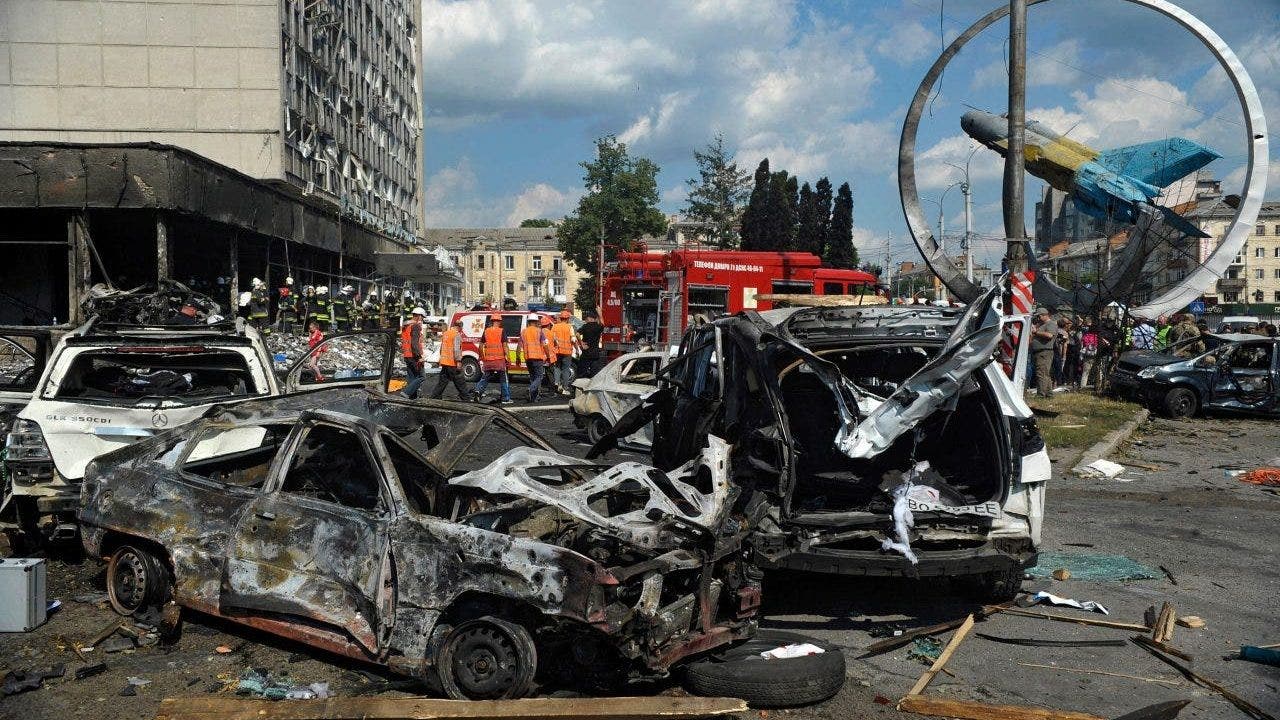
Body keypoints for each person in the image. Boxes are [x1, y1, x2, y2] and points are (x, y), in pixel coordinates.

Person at [473, 313, 513, 404]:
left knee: (485, 377)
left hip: (488, 360)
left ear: (492, 321)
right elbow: (505, 346)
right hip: (499, 360)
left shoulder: (486, 331)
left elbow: (480, 346)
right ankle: (505, 398)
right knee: (503, 379)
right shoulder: (501, 331)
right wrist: (508, 358)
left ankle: (478, 391)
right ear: (499, 321)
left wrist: (482, 357)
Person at [430, 316, 470, 400]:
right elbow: (456, 349)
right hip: (452, 362)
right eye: (461, 328)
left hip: (445, 361)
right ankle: (466, 398)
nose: (461, 329)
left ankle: (435, 396)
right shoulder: (456, 335)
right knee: (460, 381)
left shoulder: (446, 333)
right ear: (459, 327)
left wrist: (440, 358)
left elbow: (442, 348)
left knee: (443, 381)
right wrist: (458, 361)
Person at [519, 314, 553, 403]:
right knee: (539, 377)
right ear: (536, 321)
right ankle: (530, 390)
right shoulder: (539, 331)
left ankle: (533, 397)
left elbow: (519, 346)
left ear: (528, 321)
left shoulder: (523, 332)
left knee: (533, 377)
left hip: (528, 358)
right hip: (538, 357)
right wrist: (548, 356)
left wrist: (518, 357)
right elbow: (545, 345)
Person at [400, 307, 428, 399]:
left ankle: (412, 397)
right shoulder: (415, 326)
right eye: (422, 317)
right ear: (419, 316)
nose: (422, 319)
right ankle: (406, 392)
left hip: (407, 355)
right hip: (414, 355)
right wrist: (419, 356)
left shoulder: (405, 326)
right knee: (421, 376)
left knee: (412, 377)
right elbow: (414, 343)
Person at [550, 310, 580, 395]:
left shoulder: (554, 327)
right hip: (567, 352)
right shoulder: (569, 327)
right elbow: (573, 339)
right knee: (566, 370)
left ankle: (557, 383)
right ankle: (565, 387)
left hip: (557, 351)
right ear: (567, 319)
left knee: (557, 367)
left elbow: (552, 338)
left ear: (561, 318)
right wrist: (577, 349)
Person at [1029, 307, 1057, 398]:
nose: (1038, 318)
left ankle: (1041, 394)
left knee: (1041, 373)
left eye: (1039, 316)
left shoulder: (1051, 324)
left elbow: (1049, 335)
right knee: (1045, 373)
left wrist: (1036, 332)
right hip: (1039, 352)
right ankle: (1049, 394)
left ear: (1045, 315)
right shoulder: (1040, 325)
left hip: (1044, 352)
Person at [577, 310, 604, 379]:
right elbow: (603, 324)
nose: (586, 320)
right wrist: (600, 314)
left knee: (582, 372)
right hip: (595, 353)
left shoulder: (585, 326)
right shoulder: (597, 326)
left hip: (586, 353)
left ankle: (580, 386)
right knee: (594, 373)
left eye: (586, 319)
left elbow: (577, 334)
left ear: (589, 318)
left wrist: (581, 344)